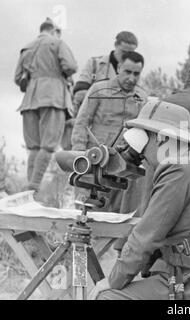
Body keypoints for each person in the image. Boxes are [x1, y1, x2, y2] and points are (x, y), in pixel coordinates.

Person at [90, 100, 190, 300]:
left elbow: (146, 238)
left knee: (108, 297)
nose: (141, 156)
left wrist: (111, 281)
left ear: (159, 139)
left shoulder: (178, 169)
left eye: (143, 144)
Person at [71, 51, 148, 212]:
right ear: (119, 67)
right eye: (127, 72)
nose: (131, 78)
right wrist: (79, 155)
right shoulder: (98, 89)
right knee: (86, 210)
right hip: (94, 162)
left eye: (136, 74)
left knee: (116, 214)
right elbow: (82, 122)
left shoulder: (142, 96)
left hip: (123, 166)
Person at [14, 18, 77, 192]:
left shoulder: (27, 47)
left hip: (30, 101)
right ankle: (34, 187)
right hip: (53, 97)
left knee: (33, 147)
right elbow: (70, 66)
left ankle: (29, 189)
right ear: (54, 31)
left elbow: (17, 78)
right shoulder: (56, 43)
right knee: (48, 146)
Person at [72, 31, 139, 112]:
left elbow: (138, 99)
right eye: (123, 52)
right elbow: (79, 93)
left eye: (131, 53)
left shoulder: (135, 72)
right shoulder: (94, 63)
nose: (126, 56)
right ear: (115, 45)